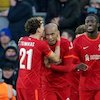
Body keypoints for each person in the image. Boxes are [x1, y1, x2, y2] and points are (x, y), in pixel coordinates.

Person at [16, 17, 61, 100]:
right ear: (38, 30)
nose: (44, 29)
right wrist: (58, 42)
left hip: (20, 83)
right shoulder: (41, 45)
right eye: (42, 26)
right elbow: (56, 59)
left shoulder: (22, 40)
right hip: (32, 85)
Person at [42, 23, 87, 100]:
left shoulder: (66, 44)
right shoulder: (41, 44)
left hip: (64, 86)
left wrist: (50, 66)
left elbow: (67, 68)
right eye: (47, 35)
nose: (50, 37)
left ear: (58, 33)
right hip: (47, 85)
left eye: (52, 34)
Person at [73, 14, 100, 100]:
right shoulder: (78, 41)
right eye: (87, 22)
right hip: (85, 86)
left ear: (98, 24)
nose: (89, 23)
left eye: (92, 21)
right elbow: (72, 61)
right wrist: (78, 65)